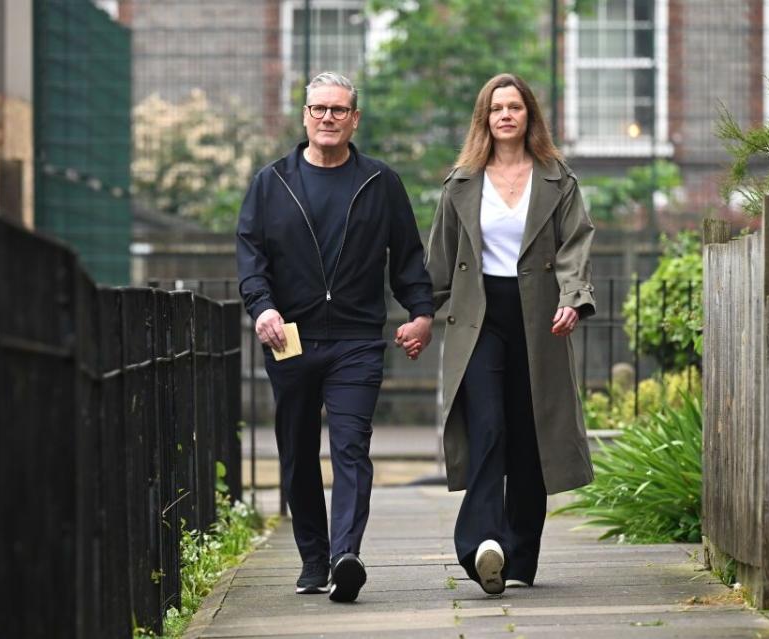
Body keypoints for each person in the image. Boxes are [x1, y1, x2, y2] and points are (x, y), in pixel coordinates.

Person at [236, 72, 434, 603]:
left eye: (339, 110)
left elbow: (409, 256)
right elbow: (251, 259)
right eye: (319, 109)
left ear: (354, 119)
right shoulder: (271, 183)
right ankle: (313, 560)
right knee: (298, 451)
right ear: (304, 116)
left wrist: (421, 312)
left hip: (356, 340)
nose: (328, 118)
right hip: (290, 339)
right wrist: (263, 308)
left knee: (351, 446)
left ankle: (346, 554)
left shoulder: (380, 182)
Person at [402, 73, 597, 595]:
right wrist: (423, 316)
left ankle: (519, 554)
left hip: (538, 319)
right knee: (487, 426)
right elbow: (437, 260)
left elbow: (576, 244)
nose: (506, 115)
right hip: (478, 317)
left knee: (530, 436)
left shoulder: (558, 179)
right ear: (484, 119)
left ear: (529, 116)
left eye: (515, 106)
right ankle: (483, 543)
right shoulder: (462, 182)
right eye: (496, 108)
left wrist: (571, 299)